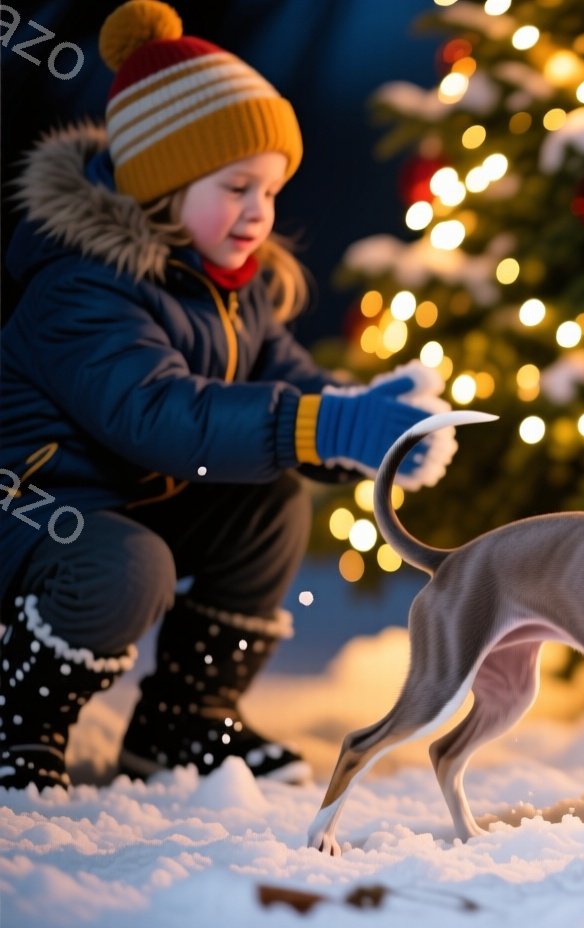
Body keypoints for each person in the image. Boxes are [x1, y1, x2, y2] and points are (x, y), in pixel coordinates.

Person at [0, 0, 453, 790]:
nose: (260, 212)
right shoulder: (80, 286)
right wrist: (327, 423)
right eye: (237, 185)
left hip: (125, 495)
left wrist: (371, 423)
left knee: (269, 502)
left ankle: (184, 721)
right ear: (162, 184)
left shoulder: (229, 285)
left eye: (272, 189)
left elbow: (285, 385)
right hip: (38, 506)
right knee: (125, 567)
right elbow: (162, 417)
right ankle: (21, 725)